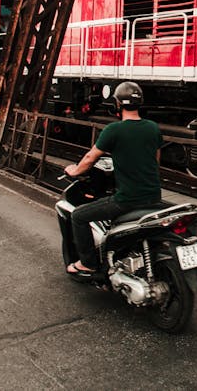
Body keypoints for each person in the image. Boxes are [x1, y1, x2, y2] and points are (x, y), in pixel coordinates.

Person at [62, 81, 163, 277]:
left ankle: (88, 263)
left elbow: (90, 158)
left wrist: (74, 171)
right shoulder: (153, 128)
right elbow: (156, 161)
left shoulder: (113, 130)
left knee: (78, 216)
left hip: (127, 200)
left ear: (117, 104)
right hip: (153, 197)